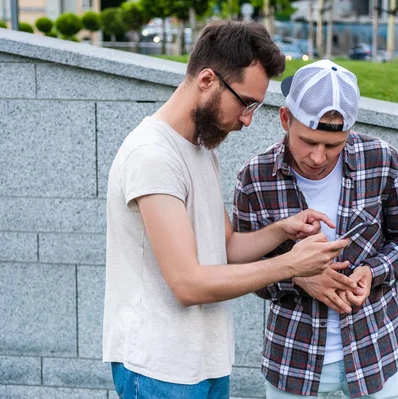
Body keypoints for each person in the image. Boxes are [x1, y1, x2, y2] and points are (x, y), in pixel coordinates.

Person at [102, 21, 354, 399]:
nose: (249, 119)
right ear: (207, 80)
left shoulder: (201, 149)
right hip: (158, 370)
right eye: (245, 103)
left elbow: (225, 246)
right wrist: (292, 265)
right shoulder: (152, 155)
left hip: (202, 362)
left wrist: (283, 230)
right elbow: (188, 284)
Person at [233, 60, 398, 398]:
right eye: (308, 141)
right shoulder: (255, 177)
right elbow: (241, 266)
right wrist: (296, 274)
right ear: (285, 119)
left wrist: (373, 272)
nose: (318, 157)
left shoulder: (382, 161)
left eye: (333, 145)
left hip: (376, 355)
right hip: (293, 363)